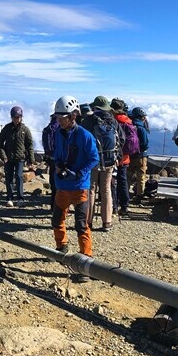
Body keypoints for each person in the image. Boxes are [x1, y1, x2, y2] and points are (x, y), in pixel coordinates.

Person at [51, 95, 99, 283]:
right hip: (63, 185)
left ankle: (86, 261)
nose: (58, 121)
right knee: (57, 219)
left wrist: (80, 172)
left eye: (61, 118)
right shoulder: (58, 133)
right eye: (57, 117)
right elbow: (58, 154)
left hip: (79, 187)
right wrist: (58, 165)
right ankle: (61, 247)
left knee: (81, 224)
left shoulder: (85, 136)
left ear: (73, 116)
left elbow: (94, 158)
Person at [81, 95, 120, 232]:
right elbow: (122, 139)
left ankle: (88, 222)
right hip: (110, 160)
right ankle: (107, 222)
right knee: (106, 189)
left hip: (92, 160)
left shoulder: (88, 121)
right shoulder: (113, 121)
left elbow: (80, 139)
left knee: (90, 189)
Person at [0, 106, 35, 206]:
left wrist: (31, 159)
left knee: (19, 177)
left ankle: (20, 198)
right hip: (8, 158)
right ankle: (9, 198)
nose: (16, 119)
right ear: (11, 117)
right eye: (14, 117)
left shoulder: (25, 130)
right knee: (9, 178)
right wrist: (3, 156)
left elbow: (30, 145)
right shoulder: (7, 128)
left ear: (21, 117)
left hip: (20, 158)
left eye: (18, 117)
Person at [110, 98, 132, 216]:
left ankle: (113, 206)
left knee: (113, 182)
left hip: (115, 156)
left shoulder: (114, 121)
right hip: (126, 156)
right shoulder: (128, 120)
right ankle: (125, 205)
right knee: (123, 181)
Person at [130, 107, 150, 208]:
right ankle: (139, 196)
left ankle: (123, 194)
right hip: (141, 155)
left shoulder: (130, 125)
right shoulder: (142, 128)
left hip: (130, 155)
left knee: (128, 175)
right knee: (141, 177)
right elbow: (145, 143)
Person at [41, 113, 60, 210]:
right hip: (60, 160)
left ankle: (53, 207)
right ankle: (60, 208)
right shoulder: (60, 128)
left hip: (50, 159)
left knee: (53, 185)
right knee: (61, 185)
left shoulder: (47, 129)